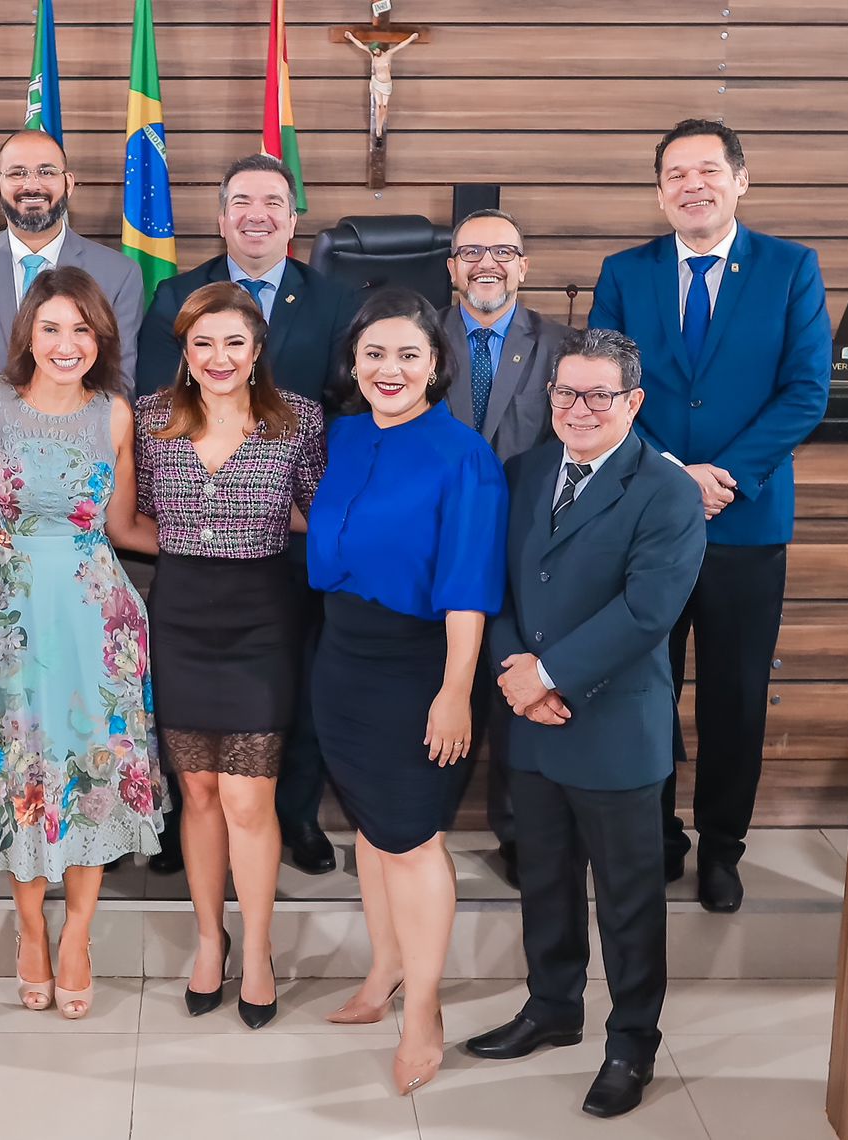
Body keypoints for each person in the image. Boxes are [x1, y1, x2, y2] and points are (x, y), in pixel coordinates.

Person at [589, 118, 831, 912]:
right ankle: (655, 838)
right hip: (645, 518)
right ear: (659, 193)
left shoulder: (792, 269)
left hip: (745, 521)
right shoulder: (625, 272)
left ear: (739, 180)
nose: (692, 185)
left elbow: (805, 390)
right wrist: (670, 473)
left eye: (707, 171)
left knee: (734, 695)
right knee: (644, 687)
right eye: (675, 174)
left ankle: (722, 847)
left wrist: (723, 475)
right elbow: (607, 387)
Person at [465, 328, 706, 1120]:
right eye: (565, 392)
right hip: (530, 721)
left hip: (612, 729)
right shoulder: (525, 471)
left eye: (599, 395)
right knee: (546, 878)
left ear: (633, 402)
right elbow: (496, 587)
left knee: (630, 899)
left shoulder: (666, 490)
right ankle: (552, 1007)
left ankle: (631, 1043)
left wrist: (549, 675)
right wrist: (514, 676)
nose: (578, 408)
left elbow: (647, 612)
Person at [307, 286, 507, 1096]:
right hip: (342, 656)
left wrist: (455, 690)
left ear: (437, 366)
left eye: (409, 356)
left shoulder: (465, 456)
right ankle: (384, 970)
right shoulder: (344, 437)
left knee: (413, 837)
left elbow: (469, 588)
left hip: (422, 664)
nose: (390, 369)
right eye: (375, 354)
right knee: (369, 829)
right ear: (354, 362)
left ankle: (424, 1008)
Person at [136, 153, 360, 875]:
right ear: (221, 213)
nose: (256, 214)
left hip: (291, 539)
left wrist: (287, 505)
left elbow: (346, 406)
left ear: (294, 217)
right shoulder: (177, 292)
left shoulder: (331, 299)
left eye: (272, 201)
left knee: (289, 692)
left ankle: (292, 816)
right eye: (241, 201)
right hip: (198, 541)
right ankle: (184, 826)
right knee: (193, 727)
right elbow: (154, 405)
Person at [0, 266, 164, 1020]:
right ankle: (29, 930)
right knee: (24, 774)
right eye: (52, 329)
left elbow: (125, 525)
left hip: (94, 618)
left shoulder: (114, 413)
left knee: (88, 772)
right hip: (13, 616)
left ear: (100, 337)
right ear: (28, 335)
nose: (67, 343)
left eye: (82, 329)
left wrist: (221, 535)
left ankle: (76, 933)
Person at [128, 282, 326, 1029]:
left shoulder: (297, 420)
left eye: (234, 343)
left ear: (257, 350)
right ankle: (210, 941)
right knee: (201, 792)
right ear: (184, 348)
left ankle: (261, 949)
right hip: (178, 613)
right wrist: (194, 545)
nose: (218, 357)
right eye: (202, 342)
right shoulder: (150, 420)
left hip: (261, 620)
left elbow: (318, 512)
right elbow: (131, 519)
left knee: (249, 797)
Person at [0, 128, 146, 628]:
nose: (33, 183)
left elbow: (120, 374)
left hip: (71, 501)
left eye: (46, 171)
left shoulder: (119, 274)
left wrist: (48, 458)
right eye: (18, 172)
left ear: (69, 183)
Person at [441, 207, 572, 888]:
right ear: (451, 267)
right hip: (439, 547)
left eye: (502, 252)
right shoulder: (417, 339)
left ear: (525, 265)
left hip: (532, 550)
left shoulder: (563, 346)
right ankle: (420, 822)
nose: (486, 264)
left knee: (518, 688)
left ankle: (520, 834)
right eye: (470, 252)